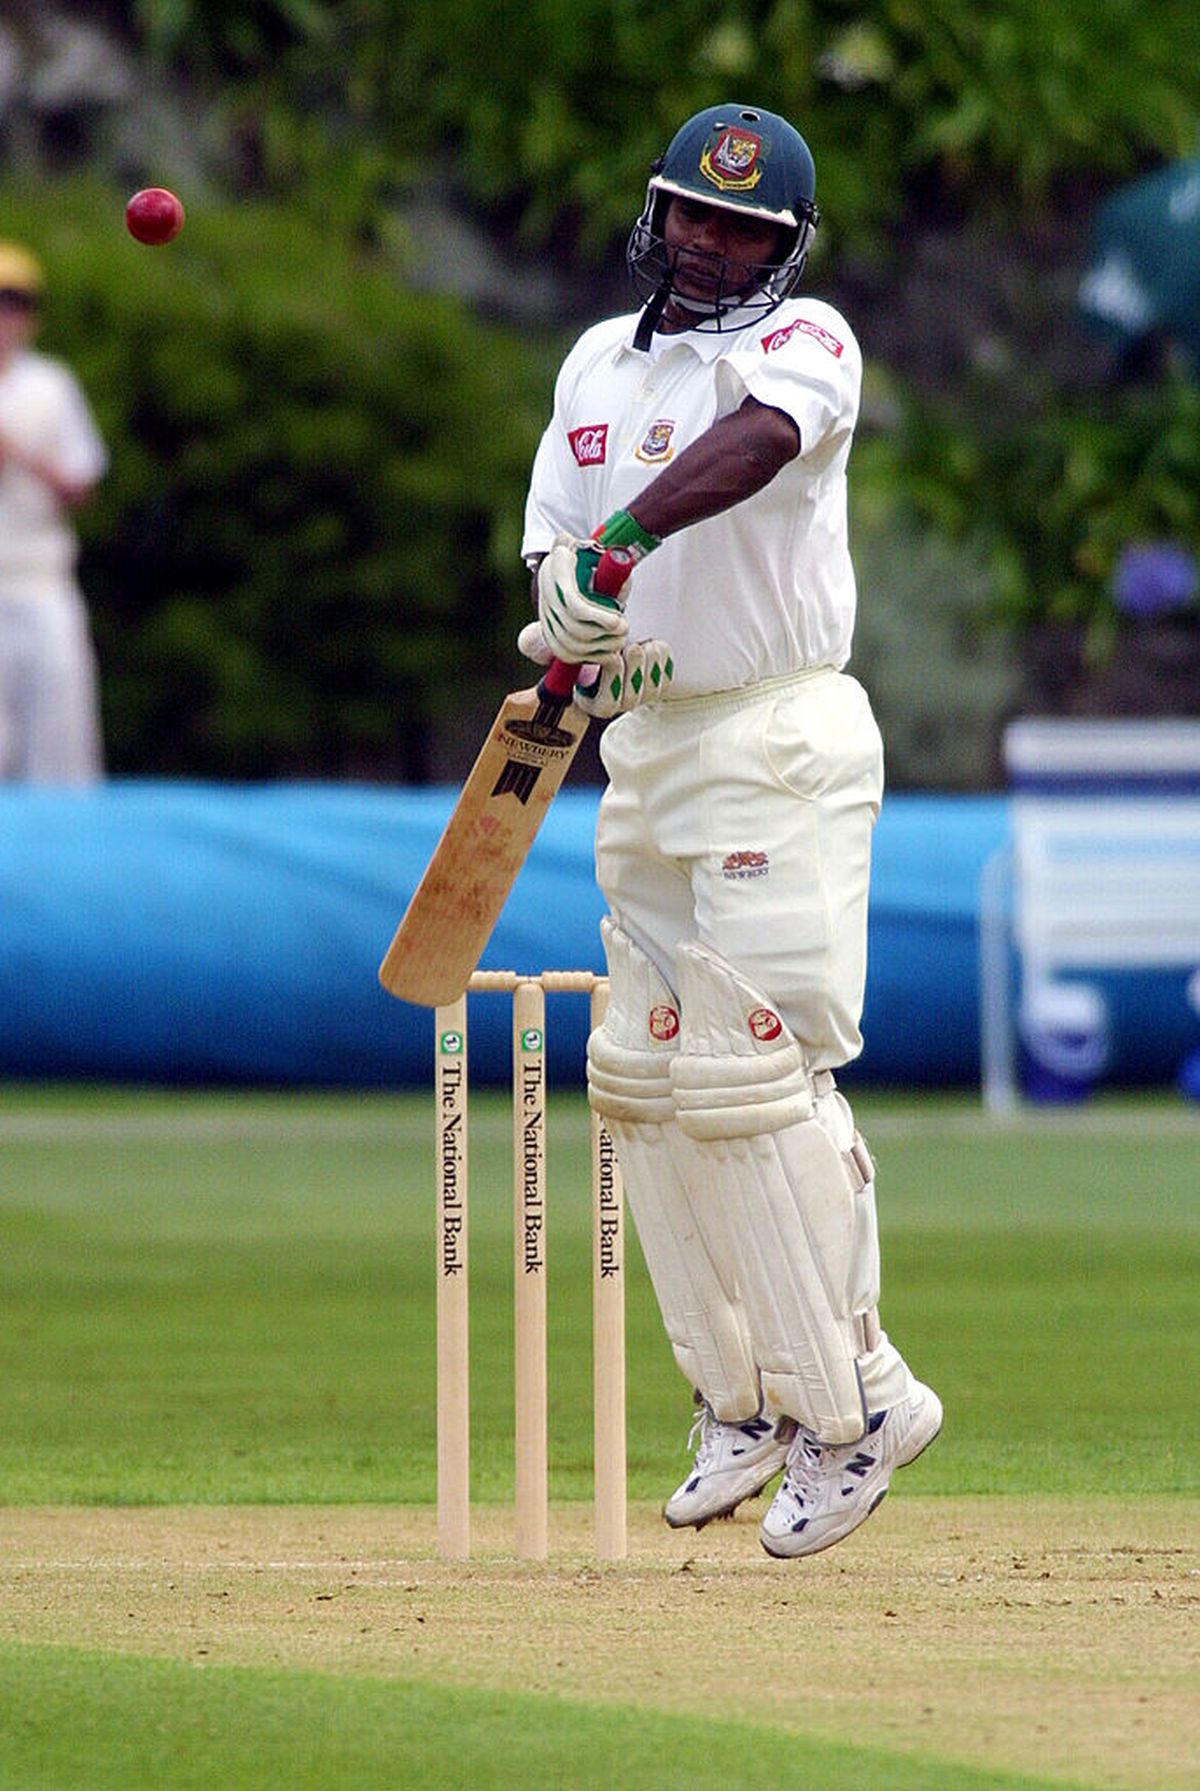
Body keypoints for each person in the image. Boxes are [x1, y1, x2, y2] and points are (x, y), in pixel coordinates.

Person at [518, 103, 941, 1557]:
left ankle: (863, 1400)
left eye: (746, 228)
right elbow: (556, 536)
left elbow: (754, 450)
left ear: (786, 247)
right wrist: (573, 611)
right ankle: (744, 1398)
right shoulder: (592, 364)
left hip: (778, 734)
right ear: (656, 215)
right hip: (648, 751)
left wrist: (617, 547)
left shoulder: (807, 344)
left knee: (757, 1080)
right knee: (638, 1079)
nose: (713, 244)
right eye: (694, 216)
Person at [0, 240, 108, 784]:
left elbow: (81, 487)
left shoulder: (50, 385)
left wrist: (18, 455)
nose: (3, 318)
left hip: (42, 582)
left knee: (60, 751)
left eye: (13, 304)